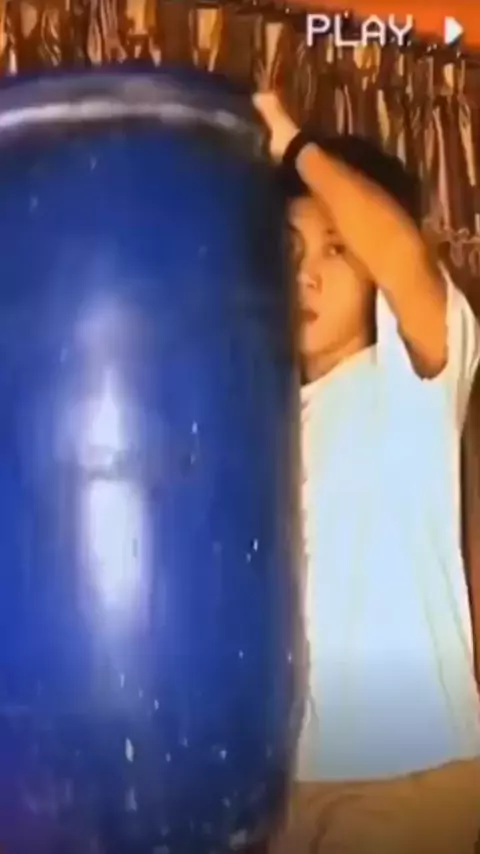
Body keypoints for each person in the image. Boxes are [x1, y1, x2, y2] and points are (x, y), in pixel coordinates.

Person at [252, 91, 480, 854]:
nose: (307, 277)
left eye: (336, 249)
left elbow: (404, 259)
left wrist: (297, 150)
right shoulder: (265, 420)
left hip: (410, 773)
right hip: (292, 783)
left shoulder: (413, 379)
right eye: (289, 252)